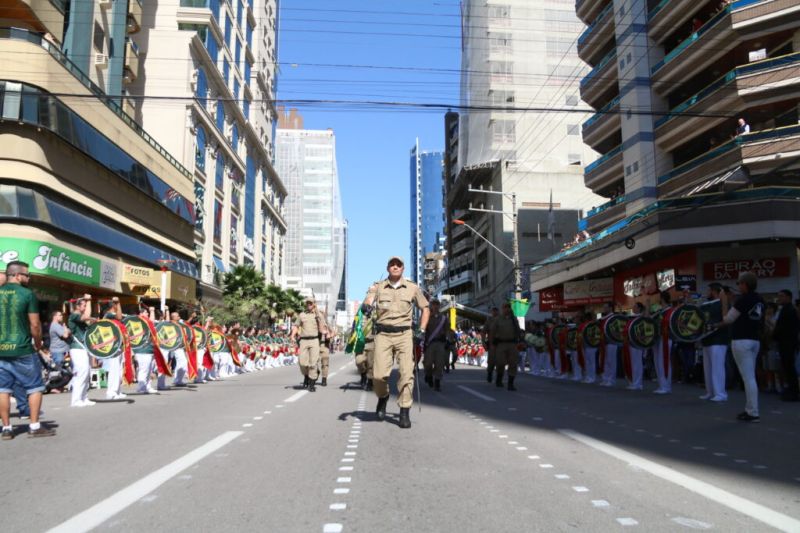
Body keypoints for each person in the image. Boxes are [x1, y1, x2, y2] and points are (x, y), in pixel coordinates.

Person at [362, 256, 429, 428]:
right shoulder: (378, 287)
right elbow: (368, 300)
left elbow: (425, 308)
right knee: (378, 376)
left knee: (407, 374)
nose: (395, 267)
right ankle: (383, 397)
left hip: (404, 335)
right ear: (387, 268)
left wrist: (421, 330)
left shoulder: (412, 287)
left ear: (403, 268)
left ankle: (404, 411)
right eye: (392, 264)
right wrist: (366, 306)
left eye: (398, 265)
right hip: (383, 334)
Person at [0, 261, 55, 438]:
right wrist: (38, 343)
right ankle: (34, 426)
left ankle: (7, 429)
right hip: (22, 348)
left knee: (3, 390)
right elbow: (35, 324)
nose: (29, 278)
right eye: (27, 275)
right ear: (17, 275)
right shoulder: (27, 294)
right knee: (35, 387)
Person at [715, 272, 764, 422]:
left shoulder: (742, 300)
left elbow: (728, 319)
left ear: (744, 284)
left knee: (748, 378)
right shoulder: (760, 300)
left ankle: (753, 412)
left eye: (739, 283)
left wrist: (723, 302)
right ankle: (751, 409)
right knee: (750, 377)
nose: (738, 286)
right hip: (754, 340)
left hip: (742, 340)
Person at [700, 283, 729, 402]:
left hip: (718, 340)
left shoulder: (722, 303)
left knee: (717, 368)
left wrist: (724, 299)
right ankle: (710, 392)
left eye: (709, 290)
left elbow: (726, 318)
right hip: (706, 339)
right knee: (708, 368)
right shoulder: (705, 305)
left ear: (714, 291)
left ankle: (721, 394)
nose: (707, 292)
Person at [291, 298, 326, 392]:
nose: (309, 305)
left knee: (313, 363)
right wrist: (292, 335)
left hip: (314, 340)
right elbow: (296, 326)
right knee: (302, 362)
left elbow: (322, 328)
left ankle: (311, 384)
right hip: (303, 340)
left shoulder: (318, 315)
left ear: (314, 304)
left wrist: (318, 315)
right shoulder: (302, 315)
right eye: (307, 303)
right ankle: (306, 375)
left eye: (311, 303)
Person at [772, 289, 799, 402]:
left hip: (788, 343)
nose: (779, 298)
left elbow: (784, 328)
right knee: (787, 367)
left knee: (789, 367)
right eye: (778, 296)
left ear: (788, 297)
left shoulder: (789, 310)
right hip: (785, 343)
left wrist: (775, 334)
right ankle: (792, 390)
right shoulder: (785, 309)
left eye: (782, 296)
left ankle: (794, 391)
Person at [69, 295, 95, 407]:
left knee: (87, 372)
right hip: (77, 348)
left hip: (84, 348)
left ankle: (84, 397)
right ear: (78, 306)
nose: (85, 307)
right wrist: (89, 300)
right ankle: (76, 400)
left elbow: (87, 318)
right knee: (82, 372)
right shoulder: (74, 315)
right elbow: (86, 316)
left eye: (86, 305)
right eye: (84, 305)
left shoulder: (80, 317)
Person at [489, 302, 523, 391]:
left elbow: (518, 330)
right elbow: (492, 332)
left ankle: (510, 383)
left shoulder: (513, 319)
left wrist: (521, 341)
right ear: (502, 309)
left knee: (513, 363)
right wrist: (492, 344)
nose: (506, 309)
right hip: (501, 344)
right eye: (505, 307)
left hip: (512, 344)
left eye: (508, 307)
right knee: (500, 363)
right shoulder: (498, 319)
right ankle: (499, 378)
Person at [423, 299, 452, 392]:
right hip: (430, 344)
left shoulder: (444, 318)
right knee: (427, 364)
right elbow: (422, 329)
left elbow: (448, 330)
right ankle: (429, 375)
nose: (435, 306)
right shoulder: (427, 317)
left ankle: (437, 382)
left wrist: (448, 340)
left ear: (439, 306)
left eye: (437, 304)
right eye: (433, 304)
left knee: (439, 363)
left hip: (440, 343)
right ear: (431, 306)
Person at [101, 298, 127, 400]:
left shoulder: (111, 315)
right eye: (116, 306)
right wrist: (118, 302)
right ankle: (111, 392)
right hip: (113, 346)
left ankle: (117, 390)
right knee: (114, 369)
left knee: (119, 369)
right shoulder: (108, 314)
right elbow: (119, 316)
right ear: (113, 306)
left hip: (118, 345)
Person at [652, 291, 673, 394]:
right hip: (659, 339)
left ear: (662, 299)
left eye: (659, 298)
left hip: (666, 339)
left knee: (664, 362)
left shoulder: (670, 311)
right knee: (658, 362)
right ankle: (662, 385)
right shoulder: (660, 311)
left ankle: (666, 386)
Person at [627, 303, 647, 391]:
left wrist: (647, 305)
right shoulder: (632, 317)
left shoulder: (641, 317)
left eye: (635, 307)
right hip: (631, 342)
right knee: (633, 363)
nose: (633, 308)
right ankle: (634, 382)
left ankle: (638, 383)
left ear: (639, 308)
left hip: (639, 342)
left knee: (638, 363)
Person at [599, 302, 618, 387]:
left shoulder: (613, 318)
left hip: (612, 342)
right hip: (604, 342)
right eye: (604, 307)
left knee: (611, 361)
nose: (604, 309)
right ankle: (605, 378)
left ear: (610, 308)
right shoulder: (603, 318)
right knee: (605, 361)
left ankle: (611, 379)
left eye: (606, 307)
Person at [483, 307, 499, 383]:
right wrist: (483, 342)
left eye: (496, 311)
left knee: (500, 361)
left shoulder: (501, 320)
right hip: (492, 343)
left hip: (501, 343)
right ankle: (490, 373)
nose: (495, 312)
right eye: (494, 311)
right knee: (491, 361)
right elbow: (483, 332)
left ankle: (499, 378)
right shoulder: (489, 321)